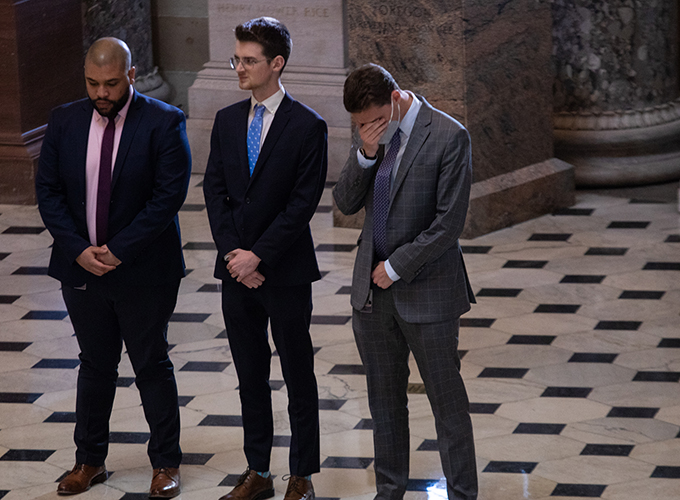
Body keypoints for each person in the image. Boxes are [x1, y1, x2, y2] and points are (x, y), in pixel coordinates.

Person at [35, 38, 191, 498]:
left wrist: (118, 249)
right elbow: (49, 192)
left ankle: (165, 464)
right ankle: (89, 461)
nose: (100, 93)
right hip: (81, 267)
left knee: (151, 363)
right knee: (95, 365)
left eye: (109, 83)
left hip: (144, 269)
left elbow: (168, 197)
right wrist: (78, 249)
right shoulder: (64, 120)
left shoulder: (164, 122)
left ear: (130, 75)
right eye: (91, 83)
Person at [333, 64, 478, 500]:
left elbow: (448, 224)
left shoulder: (449, 136)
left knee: (447, 407)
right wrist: (364, 153)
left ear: (395, 101)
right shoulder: (369, 135)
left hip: (427, 294)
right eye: (358, 124)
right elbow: (344, 202)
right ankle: (388, 492)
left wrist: (395, 266)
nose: (365, 128)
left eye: (370, 119)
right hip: (372, 298)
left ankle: (462, 494)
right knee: (385, 406)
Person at [203, 17, 327, 500]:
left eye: (248, 60)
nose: (238, 68)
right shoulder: (228, 120)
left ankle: (302, 474)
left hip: (285, 270)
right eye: (237, 58)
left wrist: (259, 257)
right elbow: (215, 190)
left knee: (298, 373)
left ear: (276, 64)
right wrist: (235, 255)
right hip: (236, 271)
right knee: (249, 374)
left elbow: (302, 203)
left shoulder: (307, 125)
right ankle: (258, 471)